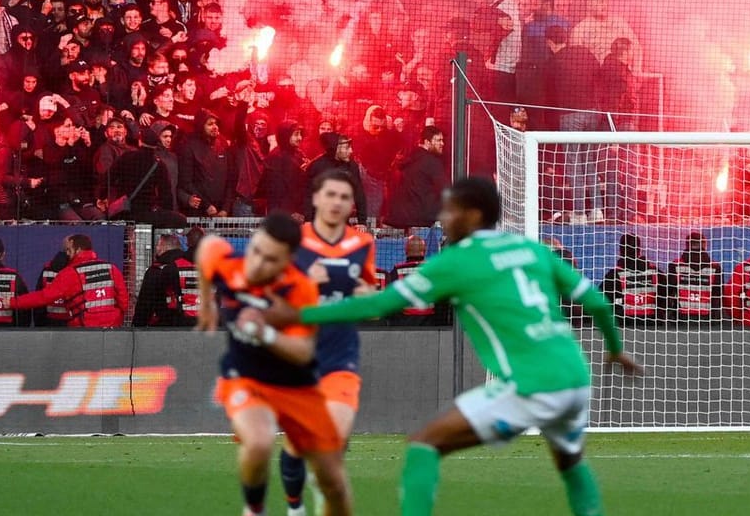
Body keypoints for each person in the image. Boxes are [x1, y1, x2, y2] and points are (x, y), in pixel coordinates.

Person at [261, 177, 641, 516]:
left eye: (450, 209)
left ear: (473, 215)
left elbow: (379, 304)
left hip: (530, 382)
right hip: (575, 377)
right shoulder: (533, 250)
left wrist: (299, 315)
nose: (442, 217)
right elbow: (596, 302)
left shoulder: (456, 262)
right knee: (571, 462)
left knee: (424, 444)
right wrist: (615, 348)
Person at [196, 216, 354, 516]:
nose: (257, 264)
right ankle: (255, 510)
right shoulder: (232, 267)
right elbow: (208, 247)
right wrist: (206, 302)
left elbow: (303, 352)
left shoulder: (299, 291)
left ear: (288, 261)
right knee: (258, 443)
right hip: (247, 378)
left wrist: (265, 332)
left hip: (297, 387)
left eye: (270, 259)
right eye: (256, 250)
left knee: (333, 482)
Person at [281, 170, 379, 516]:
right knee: (296, 445)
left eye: (344, 197)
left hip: (341, 358)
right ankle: (295, 507)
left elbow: (372, 302)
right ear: (316, 199)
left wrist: (366, 295)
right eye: (331, 195)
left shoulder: (361, 244)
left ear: (352, 205)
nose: (337, 202)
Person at [12, 232, 128, 328]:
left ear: (78, 249)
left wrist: (13, 302)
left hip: (84, 329)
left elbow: (44, 296)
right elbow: (123, 300)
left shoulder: (71, 273)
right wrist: (118, 319)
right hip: (112, 327)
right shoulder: (111, 268)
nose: (66, 254)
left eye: (69, 250)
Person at [386, 125, 449, 229]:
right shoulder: (432, 162)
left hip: (399, 218)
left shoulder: (408, 157)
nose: (442, 143)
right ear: (427, 142)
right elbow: (445, 189)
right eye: (438, 140)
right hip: (422, 219)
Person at [134, 232, 199, 327]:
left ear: (162, 246)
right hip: (193, 322)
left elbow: (145, 304)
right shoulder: (190, 267)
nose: (156, 249)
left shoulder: (156, 270)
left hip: (164, 325)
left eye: (157, 246)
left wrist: (137, 327)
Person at [600, 232, 662, 322]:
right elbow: (666, 295)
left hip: (624, 326)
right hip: (652, 324)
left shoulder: (614, 275)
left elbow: (602, 300)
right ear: (639, 250)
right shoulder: (655, 272)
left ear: (621, 250)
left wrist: (619, 302)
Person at [666, 231, 724, 321]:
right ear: (704, 245)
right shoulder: (715, 267)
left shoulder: (675, 265)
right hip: (707, 321)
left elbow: (669, 292)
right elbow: (718, 294)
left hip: (681, 320)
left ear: (687, 245)